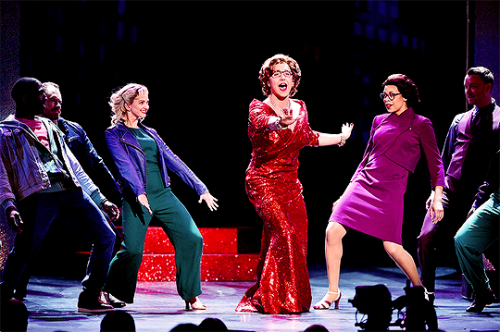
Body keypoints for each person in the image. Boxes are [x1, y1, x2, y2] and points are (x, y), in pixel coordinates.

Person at [235, 54, 354, 314]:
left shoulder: (300, 107)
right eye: (276, 73)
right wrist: (279, 121)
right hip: (262, 181)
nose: (282, 77)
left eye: (287, 73)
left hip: (291, 184)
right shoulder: (258, 108)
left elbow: (308, 137)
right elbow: (263, 123)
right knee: (284, 232)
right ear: (267, 80)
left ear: (294, 80)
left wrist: (341, 138)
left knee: (294, 238)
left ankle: (286, 297)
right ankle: (270, 299)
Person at [314, 74, 445, 310]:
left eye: (392, 95)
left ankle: (419, 290)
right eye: (384, 95)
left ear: (405, 96)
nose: (387, 99)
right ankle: (333, 292)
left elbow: (435, 163)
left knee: (392, 247)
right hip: (363, 182)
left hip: (391, 188)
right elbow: (365, 158)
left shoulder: (421, 124)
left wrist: (438, 196)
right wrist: (345, 193)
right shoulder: (378, 121)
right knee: (332, 231)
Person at [0, 77, 120, 313]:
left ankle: (90, 295)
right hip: (39, 195)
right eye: (40, 95)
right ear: (25, 99)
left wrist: (100, 198)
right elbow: (1, 173)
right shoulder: (6, 132)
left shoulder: (51, 127)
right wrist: (9, 205)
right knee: (25, 248)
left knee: (106, 235)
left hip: (71, 192)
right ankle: (4, 295)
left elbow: (73, 166)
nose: (44, 99)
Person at [103, 83, 218, 310]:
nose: (146, 106)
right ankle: (108, 289)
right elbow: (124, 166)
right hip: (137, 198)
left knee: (192, 238)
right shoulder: (114, 134)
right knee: (133, 250)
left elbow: (174, 160)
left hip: (163, 194)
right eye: (141, 102)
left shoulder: (151, 133)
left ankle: (191, 295)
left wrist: (200, 188)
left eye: (147, 102)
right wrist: (139, 193)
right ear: (127, 105)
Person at [417, 66, 500, 304]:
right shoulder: (459, 120)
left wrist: (483, 200)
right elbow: (443, 160)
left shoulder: (499, 121)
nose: (468, 91)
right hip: (450, 192)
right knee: (426, 236)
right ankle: (427, 294)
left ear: (487, 87)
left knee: (476, 244)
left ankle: (482, 292)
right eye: (466, 86)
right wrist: (435, 192)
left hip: (481, 195)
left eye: (473, 86)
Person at [454, 148, 500, 312]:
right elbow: (489, 183)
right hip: (497, 201)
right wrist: (475, 205)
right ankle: (482, 292)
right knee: (463, 240)